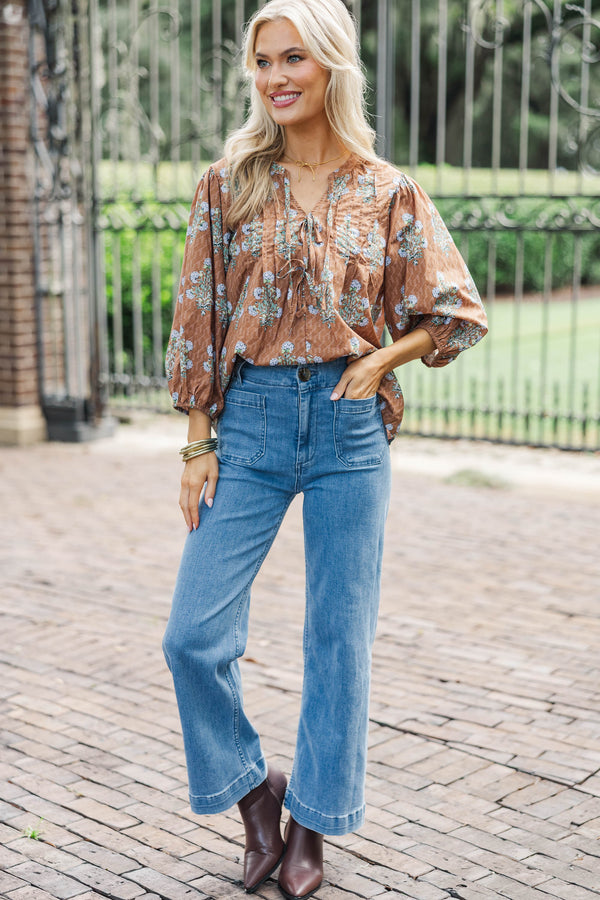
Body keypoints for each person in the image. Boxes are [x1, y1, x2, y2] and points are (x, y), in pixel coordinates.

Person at [162, 0, 487, 897]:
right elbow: (199, 318)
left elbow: (456, 311)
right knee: (192, 637)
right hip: (253, 422)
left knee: (340, 640)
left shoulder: (387, 190)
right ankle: (254, 792)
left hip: (348, 426)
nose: (275, 78)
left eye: (293, 58)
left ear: (333, 65)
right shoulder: (228, 184)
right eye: (262, 62)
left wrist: (383, 354)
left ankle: (313, 821)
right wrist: (197, 446)